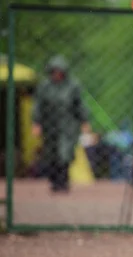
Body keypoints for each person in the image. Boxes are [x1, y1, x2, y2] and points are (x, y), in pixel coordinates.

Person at [32, 54, 91, 193]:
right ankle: (54, 181)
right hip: (50, 125)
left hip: (67, 125)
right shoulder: (45, 87)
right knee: (51, 154)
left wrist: (84, 120)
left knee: (64, 153)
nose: (57, 75)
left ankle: (63, 181)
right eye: (54, 72)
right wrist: (36, 122)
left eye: (59, 72)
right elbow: (38, 106)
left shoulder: (72, 86)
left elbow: (79, 105)